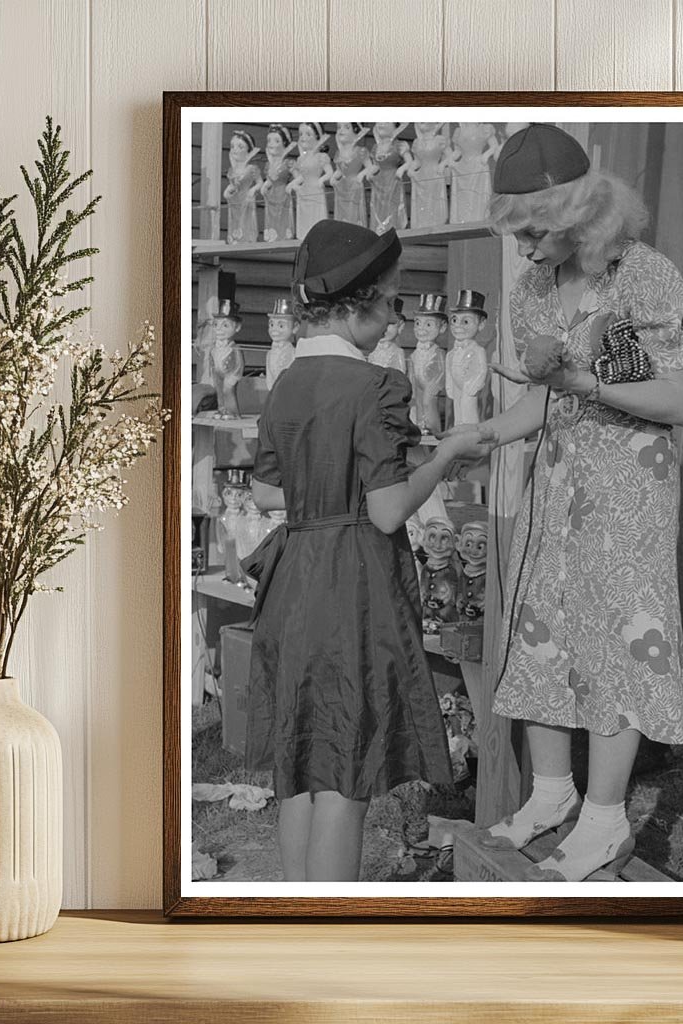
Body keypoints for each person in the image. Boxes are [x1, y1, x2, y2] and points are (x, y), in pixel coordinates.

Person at [469, 124, 683, 881]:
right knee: (541, 630)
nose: (527, 247)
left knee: (616, 645)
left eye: (537, 230)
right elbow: (542, 402)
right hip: (560, 483)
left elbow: (677, 400)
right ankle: (550, 793)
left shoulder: (641, 278)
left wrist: (585, 385)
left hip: (627, 492)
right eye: (518, 231)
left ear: (580, 218)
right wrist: (484, 434)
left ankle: (603, 821)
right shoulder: (535, 286)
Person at [245, 219, 497, 882]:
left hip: (293, 576)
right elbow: (387, 510)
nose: (395, 319)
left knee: (302, 759)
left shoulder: (288, 382)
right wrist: (443, 454)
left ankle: (296, 919)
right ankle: (327, 940)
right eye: (390, 303)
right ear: (356, 306)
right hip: (349, 584)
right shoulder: (377, 386)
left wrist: (330, 485)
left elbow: (270, 493)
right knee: (349, 766)